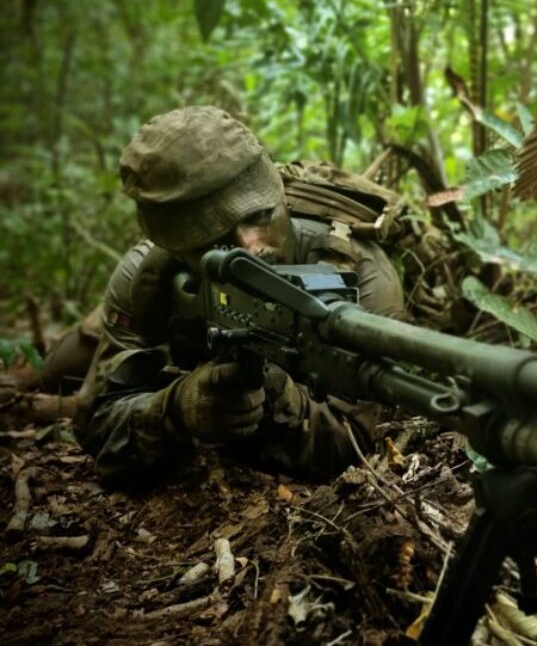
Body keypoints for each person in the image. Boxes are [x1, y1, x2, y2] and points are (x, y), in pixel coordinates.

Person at [74, 106, 407, 486]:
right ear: (174, 247)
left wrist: (275, 393)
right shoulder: (146, 274)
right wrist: (177, 409)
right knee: (56, 368)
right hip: (144, 318)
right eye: (215, 239)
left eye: (260, 215)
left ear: (279, 195)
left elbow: (350, 442)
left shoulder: (359, 275)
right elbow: (95, 427)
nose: (250, 246)